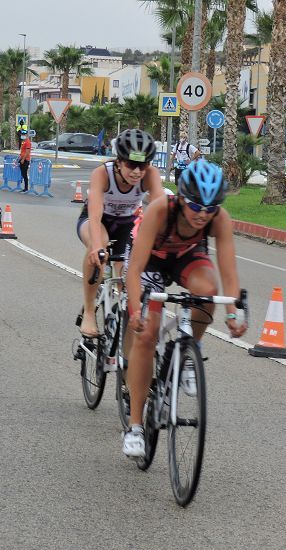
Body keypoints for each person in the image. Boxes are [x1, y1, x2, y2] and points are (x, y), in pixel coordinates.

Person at [121, 161, 247, 458]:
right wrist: (135, 311)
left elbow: (229, 274)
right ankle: (136, 426)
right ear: (181, 198)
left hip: (186, 257)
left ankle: (192, 347)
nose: (203, 214)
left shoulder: (218, 218)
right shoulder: (160, 210)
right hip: (150, 260)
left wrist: (233, 313)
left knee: (208, 291)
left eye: (211, 207)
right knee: (148, 334)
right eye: (195, 205)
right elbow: (135, 268)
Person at [76, 128, 165, 337]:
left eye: (143, 165)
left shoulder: (150, 175)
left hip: (126, 223)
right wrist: (97, 245)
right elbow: (96, 214)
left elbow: (160, 208)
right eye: (131, 165)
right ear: (119, 161)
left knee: (128, 269)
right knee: (99, 248)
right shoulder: (102, 173)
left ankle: (124, 311)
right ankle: (89, 312)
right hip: (95, 221)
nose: (137, 171)